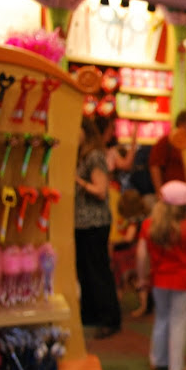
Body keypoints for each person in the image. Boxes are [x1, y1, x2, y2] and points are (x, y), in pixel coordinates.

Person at [136, 180, 186, 370]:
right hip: (183, 281)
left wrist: (142, 278)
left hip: (159, 280)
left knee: (161, 319)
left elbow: (141, 255)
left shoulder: (149, 225)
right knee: (179, 322)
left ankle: (158, 360)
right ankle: (175, 368)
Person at [75, 117, 122, 339]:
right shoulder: (82, 155)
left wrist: (78, 181)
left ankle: (109, 318)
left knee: (98, 271)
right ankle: (91, 314)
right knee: (85, 271)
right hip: (82, 222)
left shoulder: (94, 156)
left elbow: (101, 190)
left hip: (95, 222)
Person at [111, 188, 149, 316]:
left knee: (120, 281)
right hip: (140, 252)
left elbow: (129, 237)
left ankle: (116, 306)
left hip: (128, 253)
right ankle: (144, 305)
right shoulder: (143, 217)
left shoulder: (133, 221)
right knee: (139, 280)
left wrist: (114, 242)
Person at [148, 109, 186, 194]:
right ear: (181, 125)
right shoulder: (166, 141)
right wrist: (159, 192)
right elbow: (155, 166)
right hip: (171, 193)